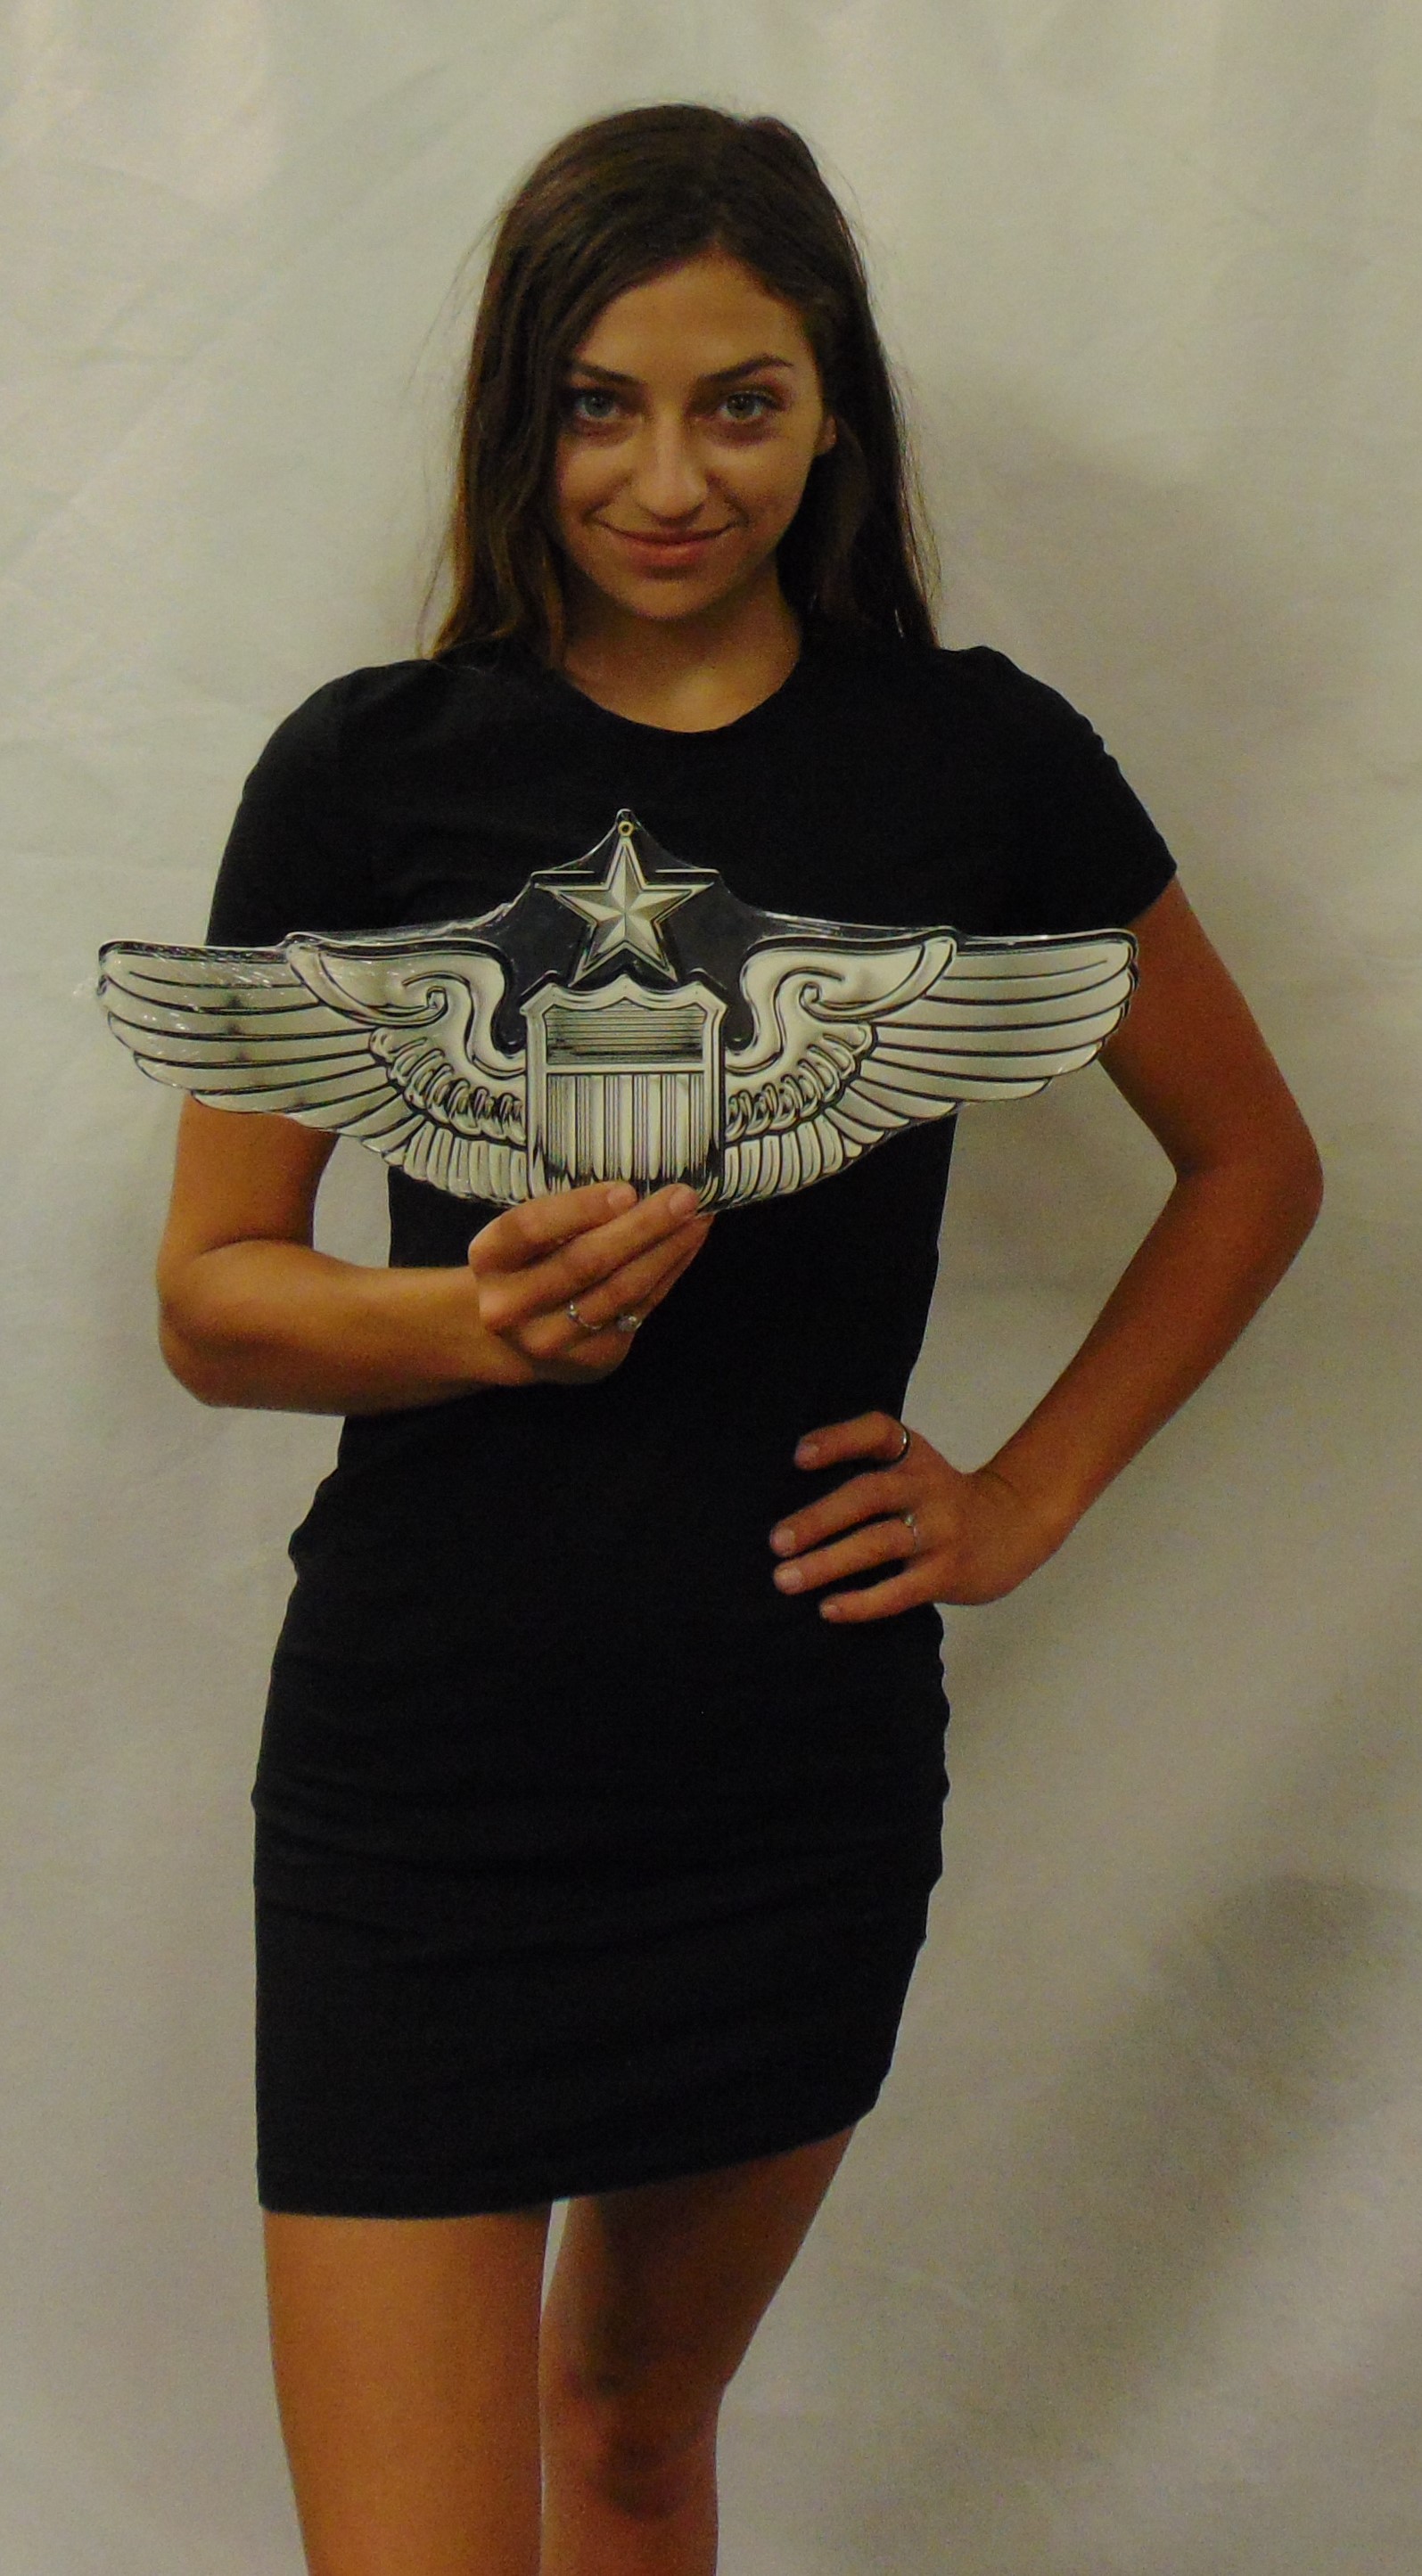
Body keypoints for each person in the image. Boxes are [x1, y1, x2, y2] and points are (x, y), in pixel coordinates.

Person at [151, 102, 1322, 2576]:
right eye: (602, 404)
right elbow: (216, 1297)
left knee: (635, 2437)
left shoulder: (978, 761)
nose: (670, 476)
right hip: (424, 1779)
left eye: (739, 402)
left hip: (787, 1764)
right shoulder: (368, 773)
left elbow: (1252, 1165)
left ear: (831, 416)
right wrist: (471, 1320)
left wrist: (1025, 1492)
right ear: (521, 413)